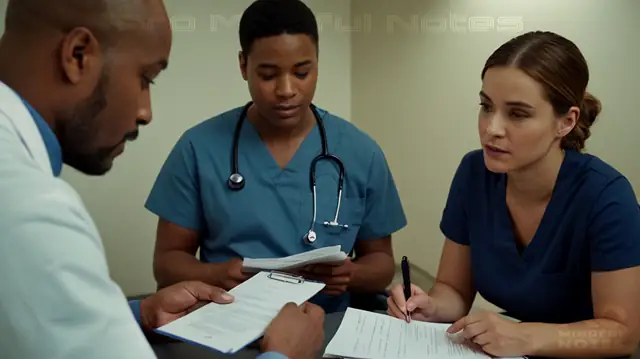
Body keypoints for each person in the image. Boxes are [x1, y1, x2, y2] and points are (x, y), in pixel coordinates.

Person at [0, 0, 324, 359]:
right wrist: (284, 356)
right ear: (78, 55)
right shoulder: (29, 208)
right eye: (145, 78)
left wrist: (138, 313)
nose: (146, 112)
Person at [388, 31, 640, 358]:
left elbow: (621, 334)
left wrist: (523, 336)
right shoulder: (474, 172)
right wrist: (431, 306)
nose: (492, 128)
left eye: (517, 113)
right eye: (486, 106)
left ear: (566, 121)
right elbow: (454, 290)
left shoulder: (606, 197)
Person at [145, 0, 407, 314]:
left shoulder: (360, 152)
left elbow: (381, 264)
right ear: (243, 66)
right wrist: (216, 274)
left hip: (326, 326)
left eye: (302, 72)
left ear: (318, 63)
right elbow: (167, 263)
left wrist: (351, 275)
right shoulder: (198, 148)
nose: (286, 90)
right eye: (268, 74)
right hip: (225, 321)